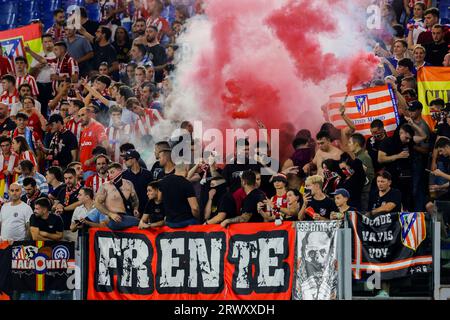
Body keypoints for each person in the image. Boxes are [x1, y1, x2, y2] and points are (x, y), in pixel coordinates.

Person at [94, 161, 140, 230]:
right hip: (113, 218)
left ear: (119, 171)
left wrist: (135, 209)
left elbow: (135, 199)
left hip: (126, 216)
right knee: (139, 222)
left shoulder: (129, 184)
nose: (110, 175)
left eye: (112, 172)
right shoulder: (105, 186)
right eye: (108, 173)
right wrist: (110, 214)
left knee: (139, 222)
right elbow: (97, 203)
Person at [159, 163, 200, 228]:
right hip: (186, 222)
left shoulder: (163, 181)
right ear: (186, 169)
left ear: (175, 168)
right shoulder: (186, 183)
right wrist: (198, 217)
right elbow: (195, 208)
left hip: (169, 222)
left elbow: (159, 199)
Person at [78, 107, 108, 180]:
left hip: (93, 170)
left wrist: (91, 160)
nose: (80, 118)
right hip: (84, 170)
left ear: (90, 114)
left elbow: (105, 147)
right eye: (79, 116)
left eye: (82, 115)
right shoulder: (85, 130)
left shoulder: (98, 127)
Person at [54, 168, 82, 242]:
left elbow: (79, 203)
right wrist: (58, 206)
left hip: (75, 229)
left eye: (70, 178)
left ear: (76, 177)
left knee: (76, 253)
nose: (67, 181)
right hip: (61, 229)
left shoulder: (82, 190)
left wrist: (64, 209)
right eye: (65, 178)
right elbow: (56, 203)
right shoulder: (62, 190)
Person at [122, 149, 153, 214]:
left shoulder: (148, 174)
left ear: (134, 159)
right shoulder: (123, 175)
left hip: (146, 209)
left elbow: (152, 191)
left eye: (126, 159)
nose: (124, 161)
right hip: (129, 210)